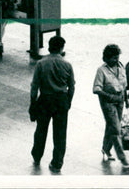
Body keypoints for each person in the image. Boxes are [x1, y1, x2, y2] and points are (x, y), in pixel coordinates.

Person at [30, 35, 75, 173]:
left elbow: (34, 87)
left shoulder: (41, 63)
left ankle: (37, 156)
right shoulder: (67, 64)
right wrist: (68, 101)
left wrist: (33, 103)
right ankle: (57, 163)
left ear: (49, 47)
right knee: (60, 133)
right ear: (62, 48)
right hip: (61, 101)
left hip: (45, 99)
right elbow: (71, 86)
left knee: (41, 130)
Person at [92, 44, 129, 167]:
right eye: (113, 58)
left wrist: (126, 98)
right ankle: (122, 157)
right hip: (108, 102)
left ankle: (106, 148)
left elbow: (124, 84)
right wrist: (109, 96)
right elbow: (96, 89)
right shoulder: (101, 70)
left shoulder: (121, 66)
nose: (116, 60)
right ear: (106, 58)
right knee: (116, 128)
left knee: (112, 126)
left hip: (120, 101)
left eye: (117, 57)